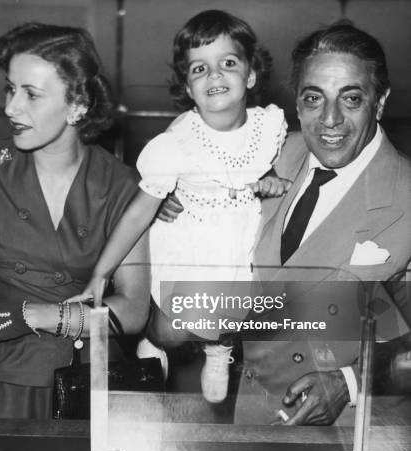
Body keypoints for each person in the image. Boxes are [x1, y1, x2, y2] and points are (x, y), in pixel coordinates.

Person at [161, 21, 411, 425]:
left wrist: (351, 382)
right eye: (313, 98)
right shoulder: (267, 156)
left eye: (351, 99)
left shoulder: (405, 196)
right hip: (255, 414)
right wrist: (173, 202)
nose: (330, 119)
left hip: (358, 429)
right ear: (296, 101)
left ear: (379, 102)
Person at [75, 10, 290, 403]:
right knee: (174, 327)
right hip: (192, 240)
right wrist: (100, 275)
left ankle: (218, 350)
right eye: (199, 69)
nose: (215, 76)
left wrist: (272, 177)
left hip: (240, 240)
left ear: (252, 74)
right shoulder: (177, 142)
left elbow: (269, 166)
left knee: (234, 311)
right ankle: (156, 341)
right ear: (188, 88)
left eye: (228, 63)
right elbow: (140, 211)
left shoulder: (270, 127)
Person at [0, 23, 151, 419]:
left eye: (31, 94)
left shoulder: (120, 184)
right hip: (2, 372)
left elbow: (132, 311)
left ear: (78, 104)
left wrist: (34, 316)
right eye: (10, 90)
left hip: (90, 380)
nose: (11, 108)